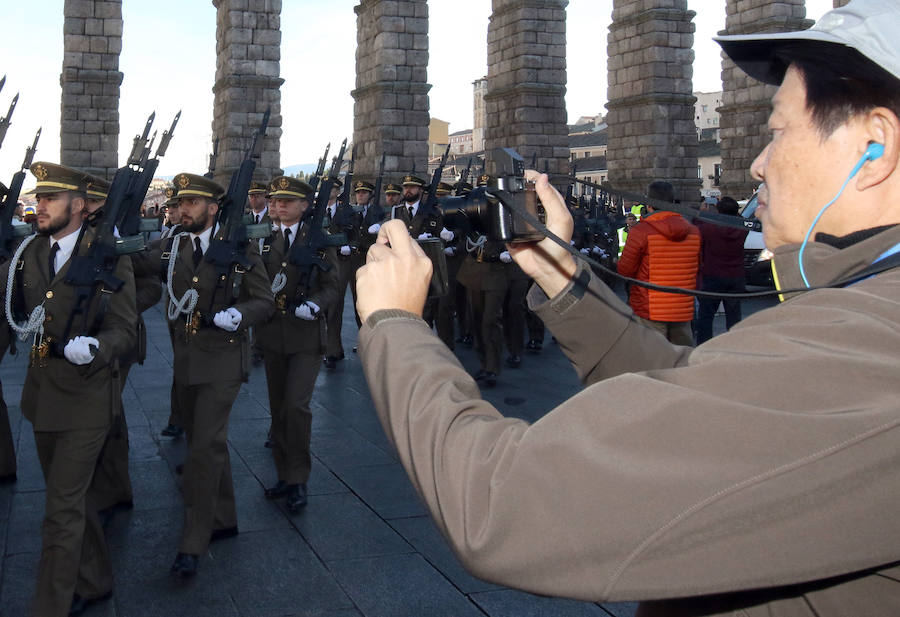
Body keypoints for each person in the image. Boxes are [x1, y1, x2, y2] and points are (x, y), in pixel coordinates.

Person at [353, 1, 900, 613]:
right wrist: (559, 274)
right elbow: (688, 393)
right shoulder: (863, 313)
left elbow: (503, 508)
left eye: (775, 131)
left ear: (875, 146)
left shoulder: (870, 343)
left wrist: (395, 324)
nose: (756, 162)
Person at [6, 162, 137, 616]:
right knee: (72, 498)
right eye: (39, 198)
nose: (38, 206)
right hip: (42, 397)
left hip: (86, 397)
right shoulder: (30, 253)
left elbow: (127, 328)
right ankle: (95, 579)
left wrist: (99, 346)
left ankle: (50, 606)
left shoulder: (110, 255)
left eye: (50, 199)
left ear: (79, 206)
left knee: (60, 509)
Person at [148, 172, 273, 578]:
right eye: (180, 203)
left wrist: (241, 315)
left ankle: (193, 541)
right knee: (209, 443)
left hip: (222, 358)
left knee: (202, 447)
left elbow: (264, 300)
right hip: (187, 359)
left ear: (213, 208)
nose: (183, 210)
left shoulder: (240, 245)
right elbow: (142, 264)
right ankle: (224, 518)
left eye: (193, 203)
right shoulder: (174, 243)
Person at [257, 175, 338, 512]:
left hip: (305, 335)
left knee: (296, 406)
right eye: (274, 200)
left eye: (287, 201)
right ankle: (283, 474)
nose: (278, 205)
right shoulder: (260, 237)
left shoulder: (319, 238)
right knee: (278, 409)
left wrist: (315, 304)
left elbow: (333, 284)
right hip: (273, 333)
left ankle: (299, 478)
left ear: (305, 205)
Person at [617, 181, 701, 346]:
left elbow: (625, 270)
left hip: (650, 307)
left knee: (652, 361)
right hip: (682, 307)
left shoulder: (641, 231)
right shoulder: (693, 231)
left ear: (649, 205)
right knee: (682, 360)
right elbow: (698, 266)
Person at [695, 196, 749, 344]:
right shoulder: (742, 228)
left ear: (718, 211)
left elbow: (697, 229)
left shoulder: (708, 228)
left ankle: (704, 345)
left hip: (712, 274)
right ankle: (734, 345)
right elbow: (742, 219)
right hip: (735, 275)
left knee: (706, 316)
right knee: (734, 316)